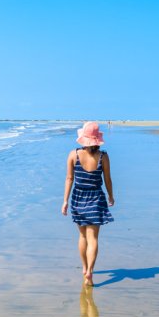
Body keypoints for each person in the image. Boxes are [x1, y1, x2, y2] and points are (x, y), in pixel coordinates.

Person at [62, 121, 115, 286]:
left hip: (78, 198)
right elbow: (107, 179)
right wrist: (111, 196)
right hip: (96, 198)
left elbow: (69, 179)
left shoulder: (74, 154)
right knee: (93, 238)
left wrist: (65, 201)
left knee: (83, 235)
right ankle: (90, 272)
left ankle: (84, 268)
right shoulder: (103, 156)